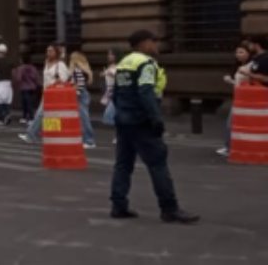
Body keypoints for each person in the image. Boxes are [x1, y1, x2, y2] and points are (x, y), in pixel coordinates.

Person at [110, 30, 198, 224]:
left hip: (124, 120)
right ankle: (169, 208)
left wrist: (122, 113)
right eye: (154, 41)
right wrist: (156, 119)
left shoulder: (124, 63)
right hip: (141, 121)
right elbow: (146, 92)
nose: (156, 45)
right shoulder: (146, 64)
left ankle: (118, 205)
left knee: (123, 165)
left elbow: (115, 93)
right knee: (158, 164)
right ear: (143, 43)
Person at [19, 44, 70, 144]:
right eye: (47, 51)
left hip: (55, 93)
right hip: (46, 92)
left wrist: (56, 82)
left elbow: (64, 79)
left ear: (56, 52)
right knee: (50, 115)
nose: (49, 53)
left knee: (40, 114)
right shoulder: (46, 63)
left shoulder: (60, 65)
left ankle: (31, 134)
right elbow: (45, 79)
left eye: (51, 51)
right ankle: (52, 135)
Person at [217, 41, 253, 157]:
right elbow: (238, 84)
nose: (238, 54)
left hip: (247, 99)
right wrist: (231, 81)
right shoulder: (238, 66)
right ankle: (231, 146)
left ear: (249, 53)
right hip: (238, 97)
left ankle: (229, 147)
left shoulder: (251, 66)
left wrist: (232, 81)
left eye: (241, 52)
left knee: (231, 123)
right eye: (237, 52)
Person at [68, 51, 98, 148]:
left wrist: (77, 92)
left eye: (71, 58)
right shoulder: (82, 68)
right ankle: (85, 139)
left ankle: (89, 141)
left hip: (81, 94)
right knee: (82, 118)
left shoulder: (77, 69)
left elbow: (80, 83)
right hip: (82, 94)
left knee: (84, 118)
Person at [13, 56, 40, 127]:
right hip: (32, 87)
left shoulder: (21, 68)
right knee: (30, 102)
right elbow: (36, 77)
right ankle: (29, 117)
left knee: (25, 102)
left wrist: (17, 84)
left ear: (22, 60)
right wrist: (36, 84)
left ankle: (27, 117)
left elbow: (18, 78)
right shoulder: (33, 68)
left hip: (24, 87)